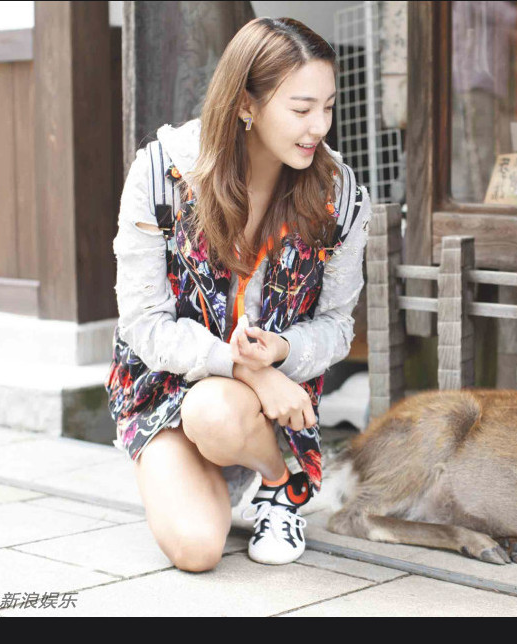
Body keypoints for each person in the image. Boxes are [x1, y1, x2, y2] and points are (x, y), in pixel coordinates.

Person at [105, 17, 371, 572]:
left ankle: (285, 483)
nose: (318, 126)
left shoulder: (339, 196)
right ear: (246, 103)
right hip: (163, 391)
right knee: (198, 551)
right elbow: (142, 322)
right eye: (301, 109)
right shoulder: (162, 174)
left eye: (328, 106)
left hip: (260, 413)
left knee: (216, 410)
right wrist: (243, 366)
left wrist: (279, 354)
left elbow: (339, 325)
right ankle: (257, 474)